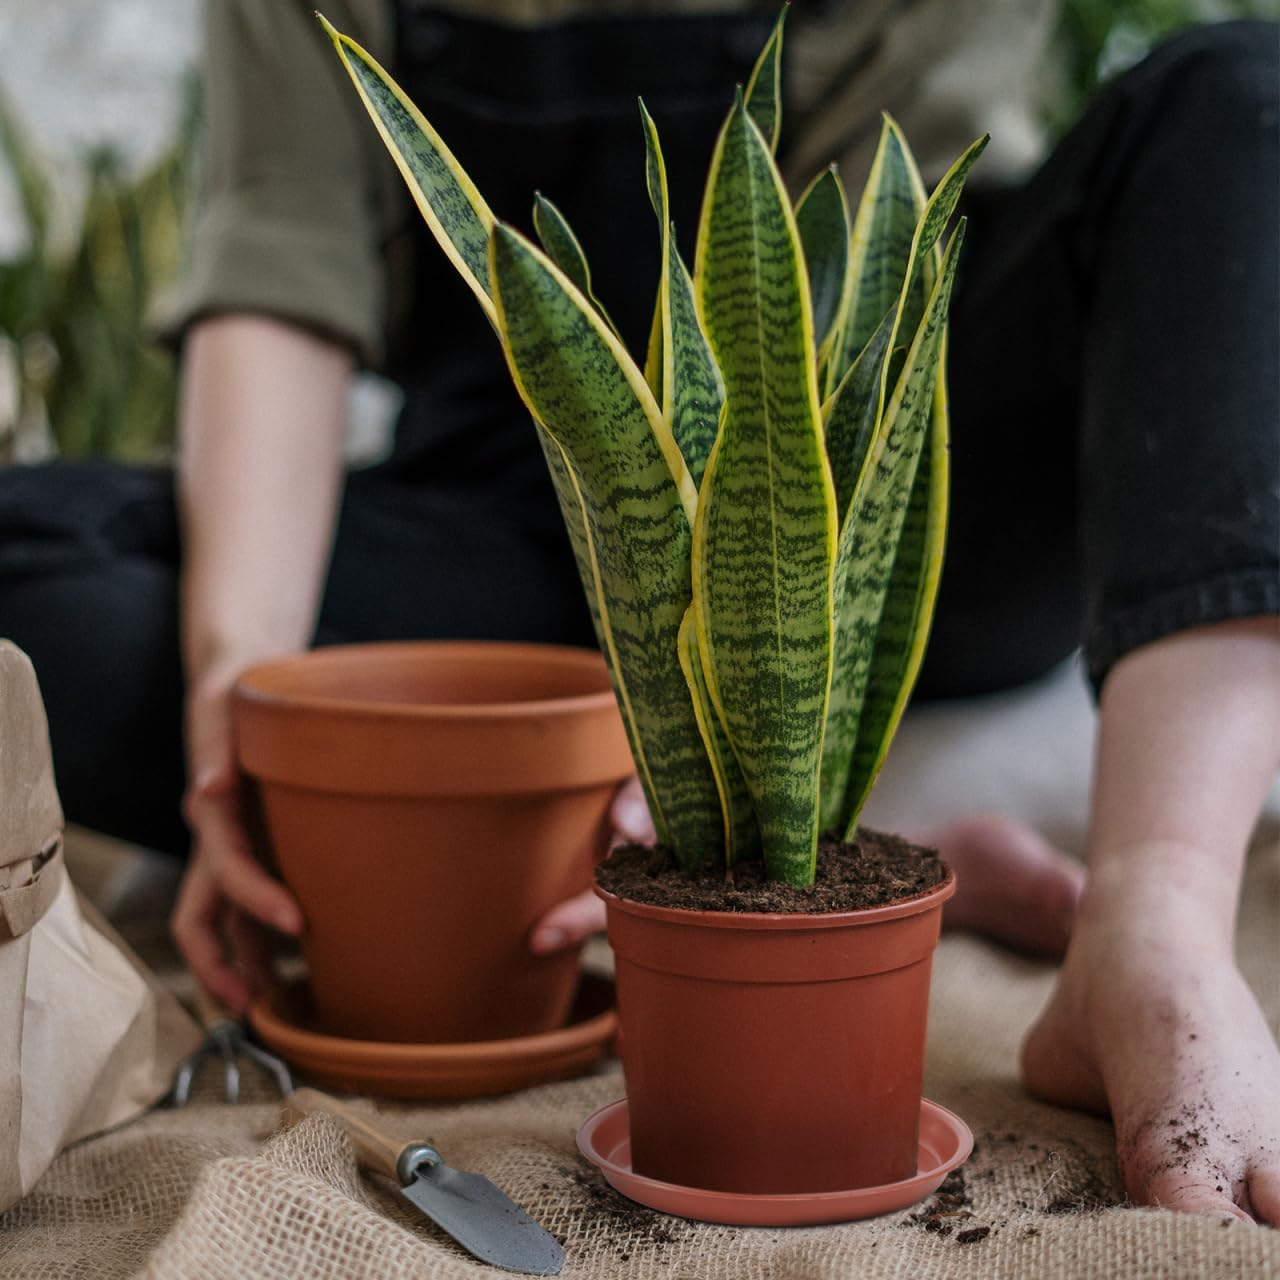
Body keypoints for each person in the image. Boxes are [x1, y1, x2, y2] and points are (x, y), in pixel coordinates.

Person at [0, 0, 1275, 1225]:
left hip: (864, 531)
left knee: (1240, 93)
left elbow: (860, 263)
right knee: (32, 563)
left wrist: (725, 650)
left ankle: (1148, 910)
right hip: (507, 512)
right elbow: (282, 272)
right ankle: (839, 844)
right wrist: (236, 710)